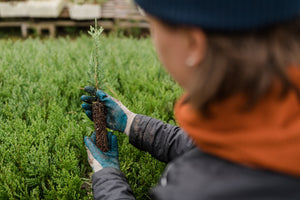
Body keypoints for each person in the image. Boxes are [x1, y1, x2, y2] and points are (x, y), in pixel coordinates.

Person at [81, 0, 300, 199]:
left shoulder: (197, 191)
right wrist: (132, 123)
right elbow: (220, 148)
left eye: (153, 26)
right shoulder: (273, 117)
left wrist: (107, 181)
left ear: (194, 44)